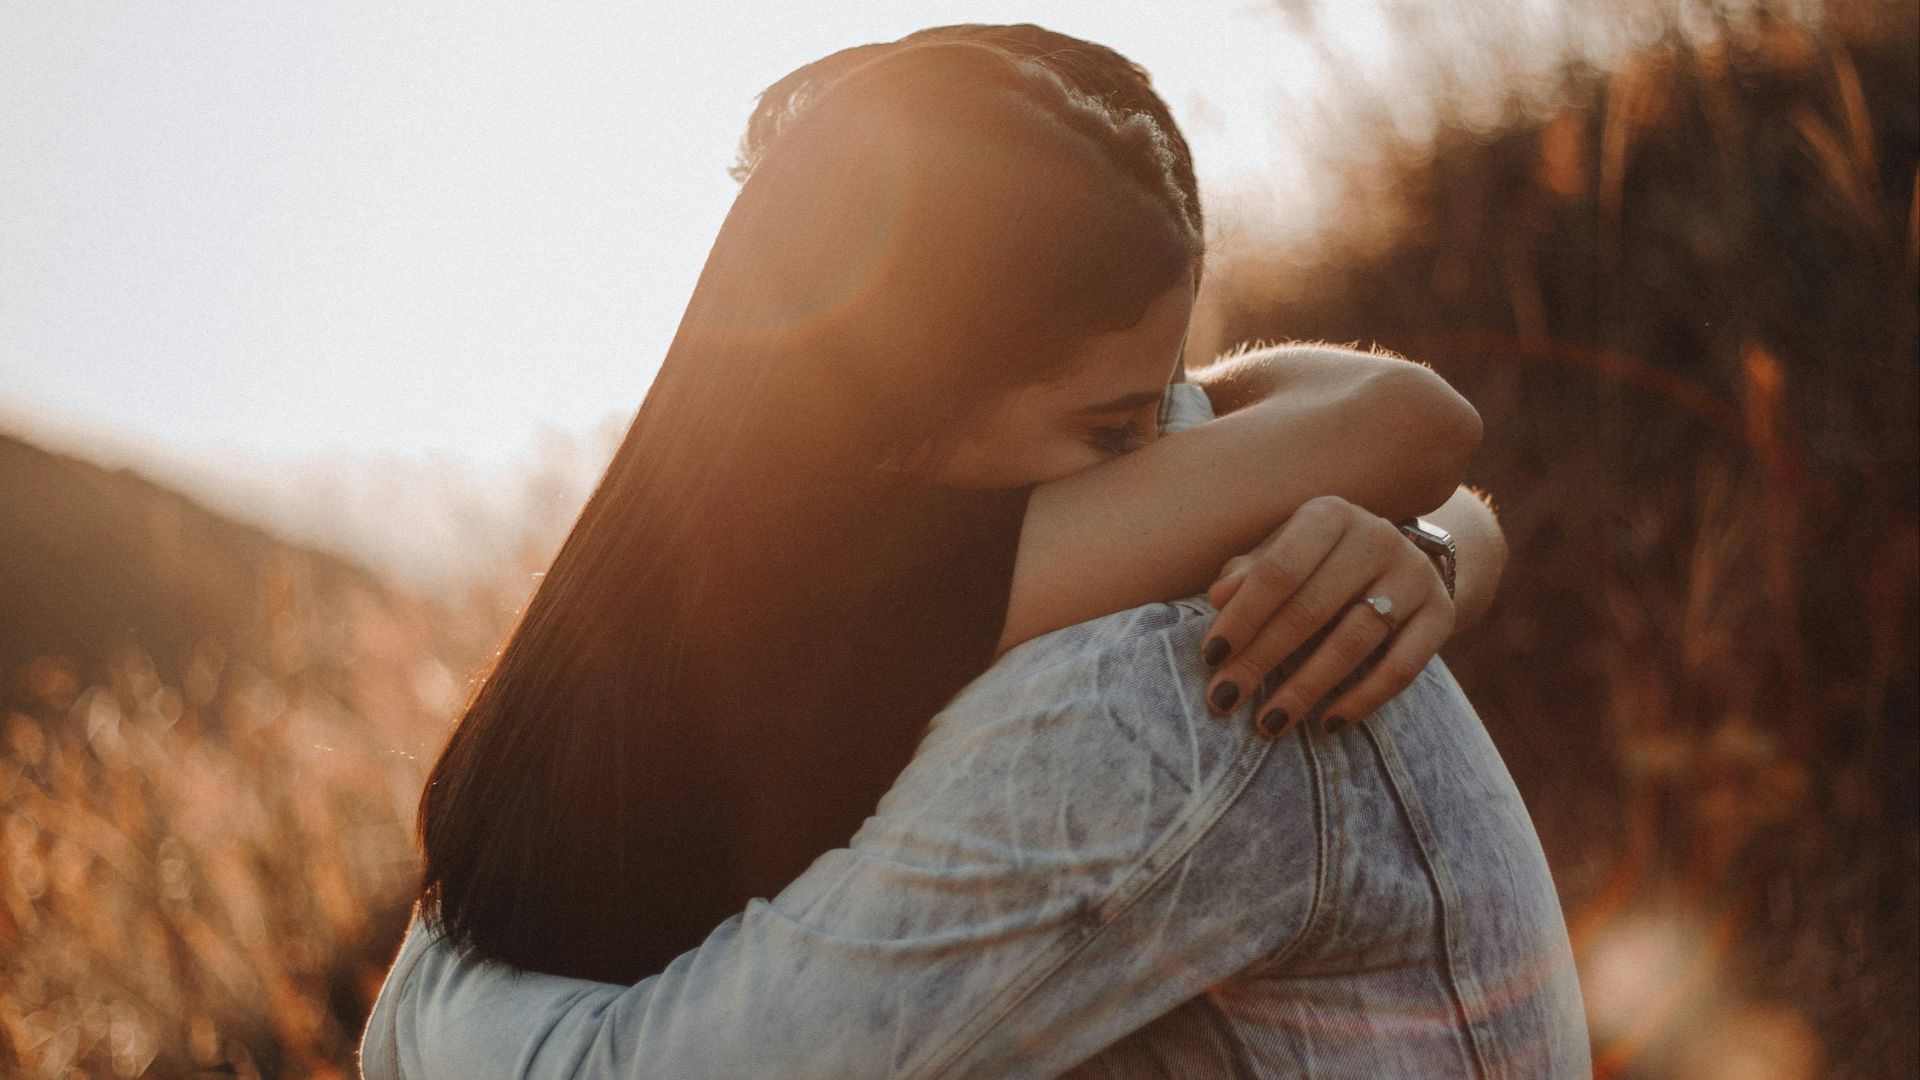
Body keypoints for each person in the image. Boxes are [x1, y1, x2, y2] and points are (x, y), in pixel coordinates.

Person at [362, 26, 1589, 1076]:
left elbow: (1381, 433)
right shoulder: (913, 598)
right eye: (1115, 428)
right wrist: (1434, 538)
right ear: (901, 418)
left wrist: (1431, 543)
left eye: (1159, 404)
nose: (1174, 454)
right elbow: (1401, 424)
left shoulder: (1136, 663)